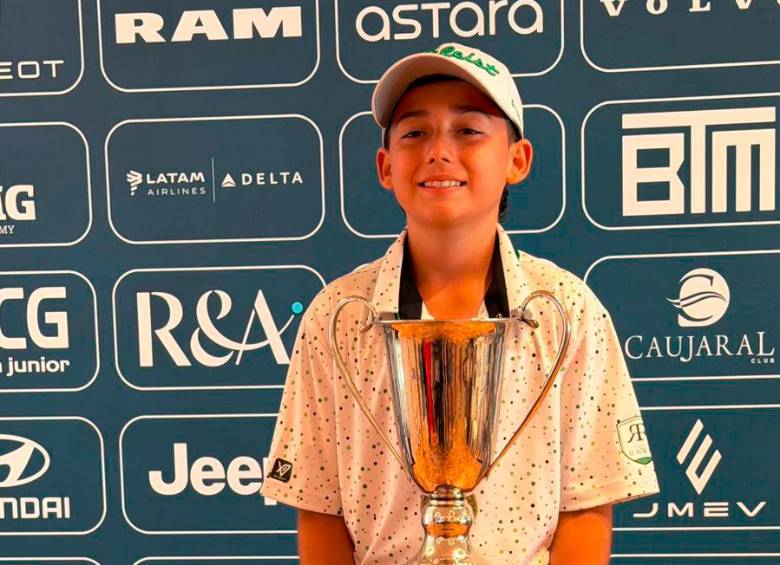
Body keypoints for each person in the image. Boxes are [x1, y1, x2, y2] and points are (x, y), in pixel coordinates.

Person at [260, 42, 660, 564]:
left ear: (517, 160)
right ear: (385, 166)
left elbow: (587, 504)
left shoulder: (567, 312)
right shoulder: (337, 316)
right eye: (414, 132)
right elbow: (318, 505)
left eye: (468, 130)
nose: (438, 150)